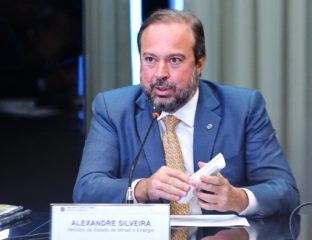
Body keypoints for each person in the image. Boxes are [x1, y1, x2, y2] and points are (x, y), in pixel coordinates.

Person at [73, 8, 299, 218]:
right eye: (150, 59)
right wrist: (143, 188)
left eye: (174, 60)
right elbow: (86, 190)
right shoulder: (113, 109)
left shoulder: (243, 108)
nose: (160, 73)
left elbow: (284, 191)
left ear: (199, 64)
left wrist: (237, 199)